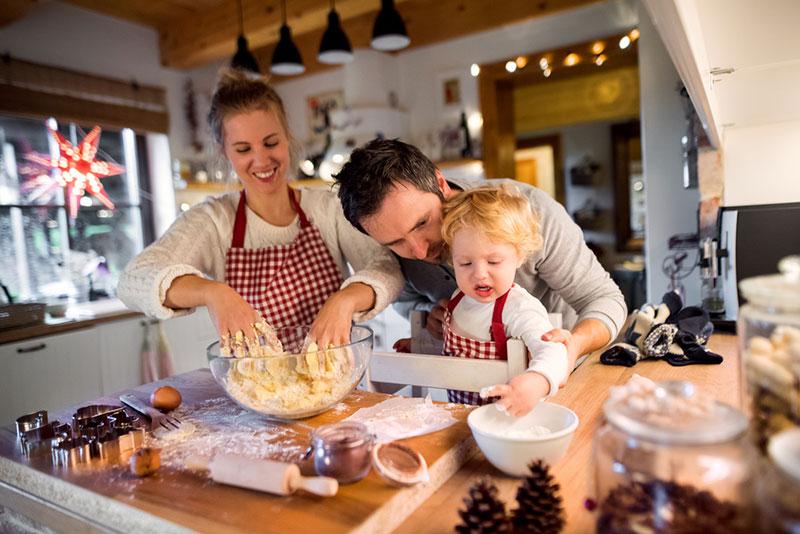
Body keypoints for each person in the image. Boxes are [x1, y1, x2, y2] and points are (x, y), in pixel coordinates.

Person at [118, 70, 403, 352]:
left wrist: (346, 299)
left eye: (271, 143)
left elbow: (386, 267)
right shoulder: (215, 221)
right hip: (256, 392)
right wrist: (212, 292)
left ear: (287, 137)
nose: (261, 160)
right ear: (224, 152)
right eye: (243, 149)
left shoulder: (325, 208)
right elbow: (133, 281)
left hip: (337, 384)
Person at [335, 139, 627, 371]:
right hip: (474, 388)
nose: (419, 251)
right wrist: (430, 317)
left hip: (565, 374)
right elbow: (409, 301)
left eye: (423, 223)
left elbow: (604, 299)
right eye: (396, 242)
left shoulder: (530, 212)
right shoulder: (393, 245)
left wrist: (572, 346)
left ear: (441, 184)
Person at [438, 184, 568, 415]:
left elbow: (553, 352)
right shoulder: (459, 297)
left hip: (505, 419)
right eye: (465, 263)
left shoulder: (518, 308)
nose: (478, 273)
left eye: (494, 261)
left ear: (519, 256)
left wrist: (537, 381)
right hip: (458, 416)